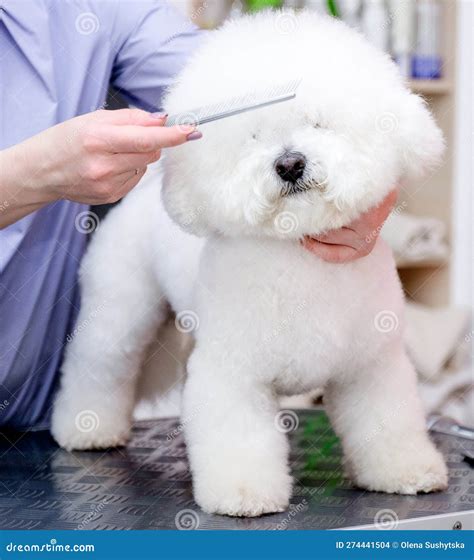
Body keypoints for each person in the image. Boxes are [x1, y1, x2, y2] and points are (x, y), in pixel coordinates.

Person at [0, 0, 396, 430]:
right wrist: (28, 174)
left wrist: (375, 169)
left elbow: (229, 82)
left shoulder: (92, 7)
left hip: (28, 410)